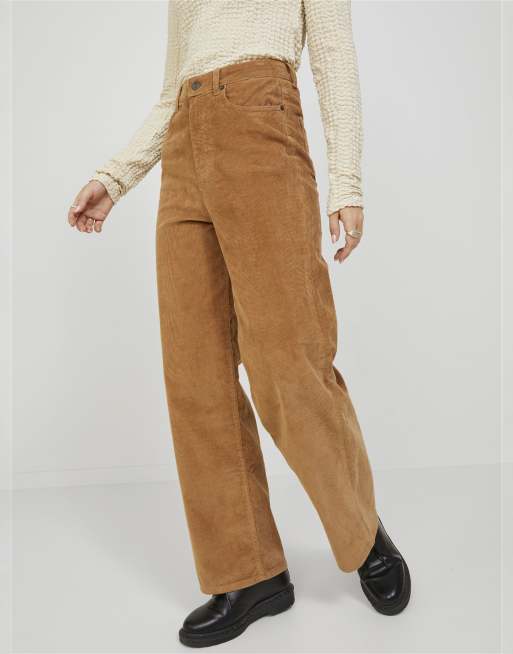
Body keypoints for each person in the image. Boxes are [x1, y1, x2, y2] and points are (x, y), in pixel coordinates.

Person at [67, 0, 411, 647]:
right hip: (184, 145)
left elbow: (333, 56)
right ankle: (249, 574)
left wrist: (346, 182)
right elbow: (171, 90)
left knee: (288, 358)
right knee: (194, 373)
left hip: (260, 121)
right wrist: (116, 177)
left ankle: (361, 533)